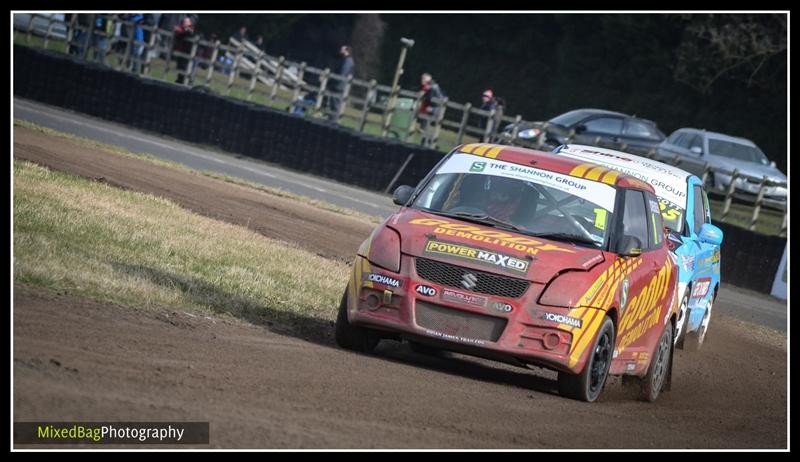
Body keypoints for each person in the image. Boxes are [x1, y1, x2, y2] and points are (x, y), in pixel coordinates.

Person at [418, 72, 445, 146]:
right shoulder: (435, 86)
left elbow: (430, 98)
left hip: (433, 109)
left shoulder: (430, 87)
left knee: (425, 128)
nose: (422, 80)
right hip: (436, 109)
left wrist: (423, 95)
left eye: (423, 79)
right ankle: (427, 142)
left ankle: (427, 143)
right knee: (426, 128)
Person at [329, 45, 354, 119]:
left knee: (336, 105)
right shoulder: (344, 60)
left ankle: (333, 122)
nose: (340, 50)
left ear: (346, 51)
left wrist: (335, 82)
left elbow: (343, 74)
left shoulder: (348, 61)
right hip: (337, 85)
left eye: (342, 49)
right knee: (333, 104)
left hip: (339, 86)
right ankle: (331, 120)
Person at [173, 14, 196, 85]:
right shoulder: (182, 29)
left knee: (185, 66)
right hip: (182, 49)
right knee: (180, 66)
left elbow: (188, 34)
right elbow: (179, 35)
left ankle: (186, 81)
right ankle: (181, 80)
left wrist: (184, 31)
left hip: (187, 51)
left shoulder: (190, 30)